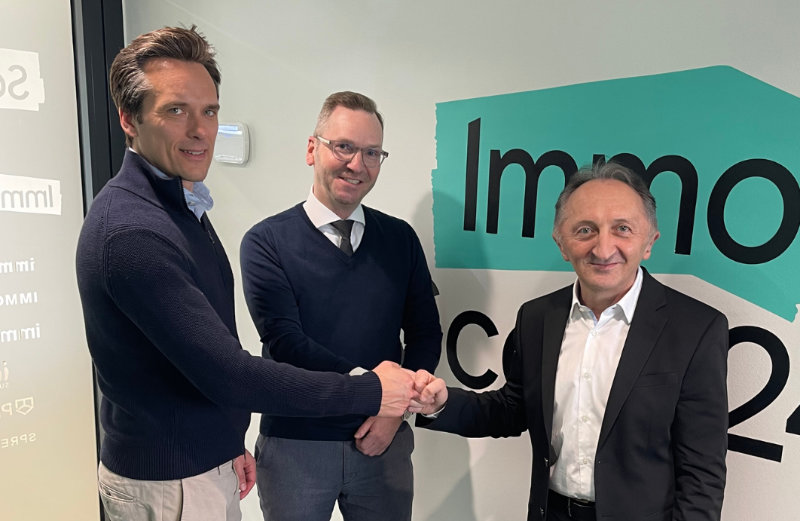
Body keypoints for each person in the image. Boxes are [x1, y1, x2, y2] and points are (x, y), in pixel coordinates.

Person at [76, 27, 416, 521]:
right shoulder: (133, 231)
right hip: (171, 483)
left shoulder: (180, 207)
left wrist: (226, 440)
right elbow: (233, 372)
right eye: (176, 110)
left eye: (209, 111)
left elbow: (204, 353)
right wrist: (375, 390)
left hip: (200, 465)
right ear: (129, 119)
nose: (200, 130)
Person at [411, 161, 729, 521]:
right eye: (585, 230)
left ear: (649, 242)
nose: (603, 248)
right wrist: (441, 403)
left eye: (622, 229)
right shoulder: (536, 317)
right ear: (561, 243)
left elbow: (702, 474)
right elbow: (512, 409)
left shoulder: (696, 329)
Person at [239, 91, 442, 521]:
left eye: (372, 153)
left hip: (382, 442)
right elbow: (285, 341)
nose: (357, 164)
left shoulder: (400, 240)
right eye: (344, 146)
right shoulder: (266, 241)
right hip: (296, 442)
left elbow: (425, 332)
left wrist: (395, 411)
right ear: (312, 149)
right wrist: (375, 390)